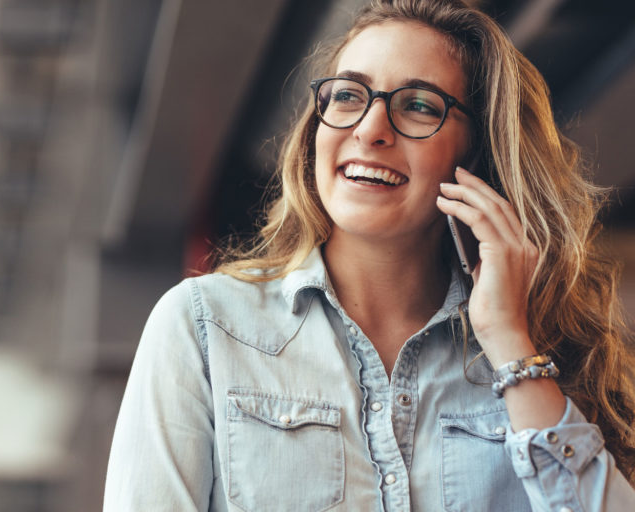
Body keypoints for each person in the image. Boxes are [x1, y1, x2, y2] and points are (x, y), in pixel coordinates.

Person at [103, 0, 635, 510]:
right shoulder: (204, 327)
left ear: (476, 154)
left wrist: (510, 345)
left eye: (420, 105)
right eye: (348, 96)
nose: (370, 130)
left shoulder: (548, 349)